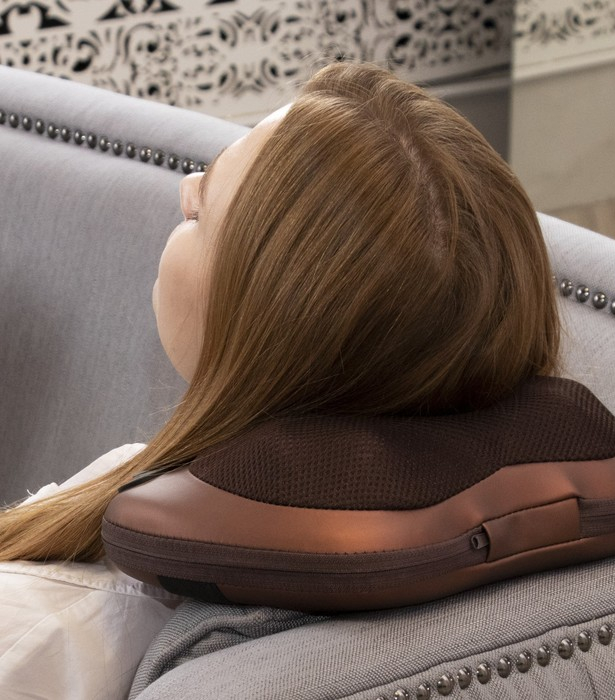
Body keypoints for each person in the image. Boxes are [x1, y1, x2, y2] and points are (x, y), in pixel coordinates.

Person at [0, 61, 559, 696]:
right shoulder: (522, 534)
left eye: (203, 210)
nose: (185, 188)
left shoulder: (41, 626)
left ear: (264, 327)